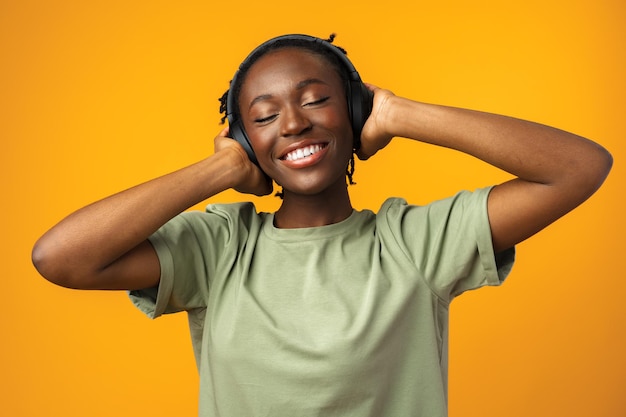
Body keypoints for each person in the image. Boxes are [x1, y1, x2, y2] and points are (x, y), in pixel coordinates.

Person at [32, 34, 612, 417]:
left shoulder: (414, 243)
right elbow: (60, 257)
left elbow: (578, 169)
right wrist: (222, 167)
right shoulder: (219, 248)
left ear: (353, 113)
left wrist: (398, 114)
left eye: (315, 101)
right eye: (263, 117)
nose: (292, 124)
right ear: (244, 136)